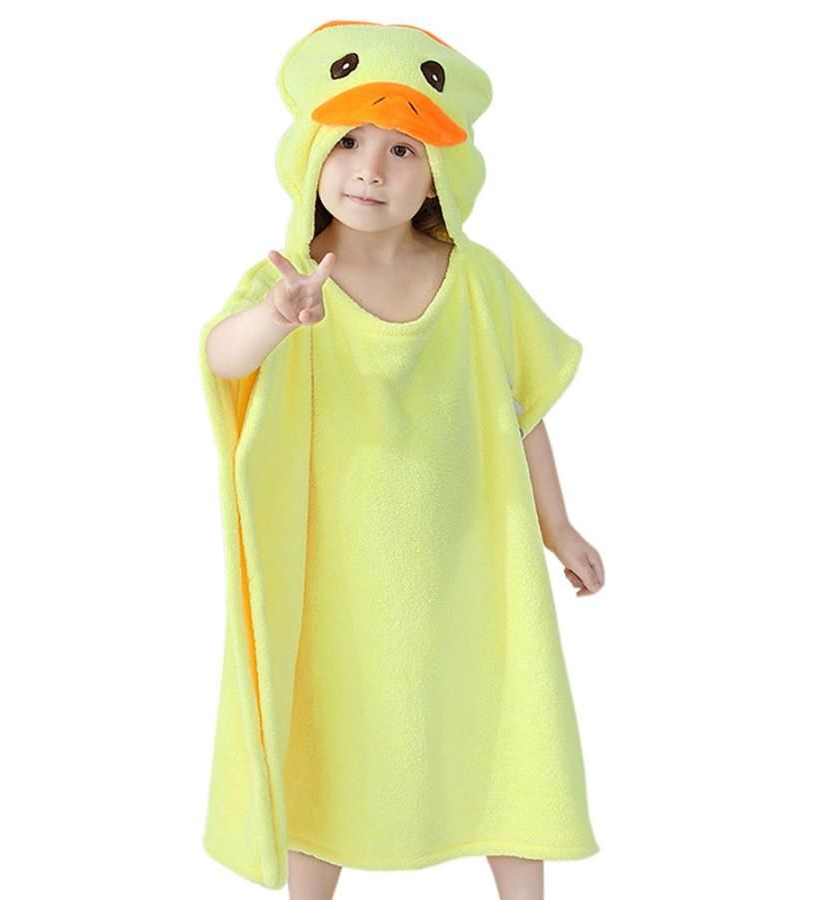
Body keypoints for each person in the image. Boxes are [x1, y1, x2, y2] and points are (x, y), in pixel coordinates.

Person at [199, 21, 604, 900]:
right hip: (337, 570)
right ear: (313, 154)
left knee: (506, 720)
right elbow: (224, 358)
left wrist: (557, 525)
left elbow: (523, 407)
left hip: (472, 563)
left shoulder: (477, 279)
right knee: (331, 737)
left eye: (402, 149)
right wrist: (276, 319)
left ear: (440, 173)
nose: (370, 169)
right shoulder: (293, 278)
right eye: (348, 141)